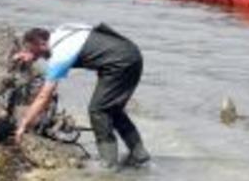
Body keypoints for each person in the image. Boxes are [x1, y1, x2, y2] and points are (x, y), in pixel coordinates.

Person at [13, 23, 150, 168]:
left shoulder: (61, 54)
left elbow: (44, 96)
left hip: (120, 63)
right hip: (130, 53)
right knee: (113, 110)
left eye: (30, 50)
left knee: (98, 110)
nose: (31, 55)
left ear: (42, 43)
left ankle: (108, 165)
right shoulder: (62, 31)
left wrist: (23, 124)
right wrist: (30, 55)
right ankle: (140, 155)